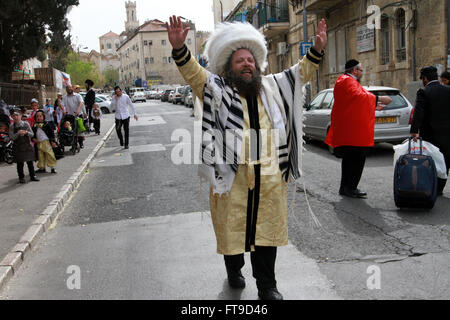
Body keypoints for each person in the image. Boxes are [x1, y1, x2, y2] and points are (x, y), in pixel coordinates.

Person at [166, 15, 327, 300]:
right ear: (230, 66)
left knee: (266, 233)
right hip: (232, 175)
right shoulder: (218, 90)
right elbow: (194, 74)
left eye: (250, 60)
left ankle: (267, 285)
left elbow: (300, 73)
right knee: (234, 229)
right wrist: (180, 50)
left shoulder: (273, 87)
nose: (246, 64)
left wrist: (316, 51)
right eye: (240, 60)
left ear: (258, 64)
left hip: (268, 175)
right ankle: (234, 269)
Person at [325, 60, 392, 198]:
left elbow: (355, 102)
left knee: (349, 160)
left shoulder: (347, 81)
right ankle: (351, 187)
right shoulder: (347, 81)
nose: (362, 73)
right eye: (361, 70)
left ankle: (345, 187)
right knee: (356, 160)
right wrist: (379, 98)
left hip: (352, 131)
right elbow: (358, 97)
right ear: (354, 70)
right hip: (354, 133)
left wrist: (373, 104)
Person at [411, 66, 450, 196]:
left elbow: (419, 113)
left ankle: (433, 186)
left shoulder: (423, 92)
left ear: (426, 79)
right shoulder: (447, 90)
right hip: (447, 133)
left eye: (422, 79)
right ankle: (440, 188)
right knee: (445, 159)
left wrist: (414, 130)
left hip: (430, 134)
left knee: (432, 159)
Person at [9, 108, 39, 183]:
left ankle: (33, 176)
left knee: (30, 162)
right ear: (12, 117)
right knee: (20, 163)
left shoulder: (26, 124)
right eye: (14, 115)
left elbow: (32, 134)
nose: (15, 117)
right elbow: (11, 137)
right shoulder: (12, 126)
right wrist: (18, 133)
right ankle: (21, 177)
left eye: (17, 115)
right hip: (18, 146)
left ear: (21, 115)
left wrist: (26, 132)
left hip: (27, 145)